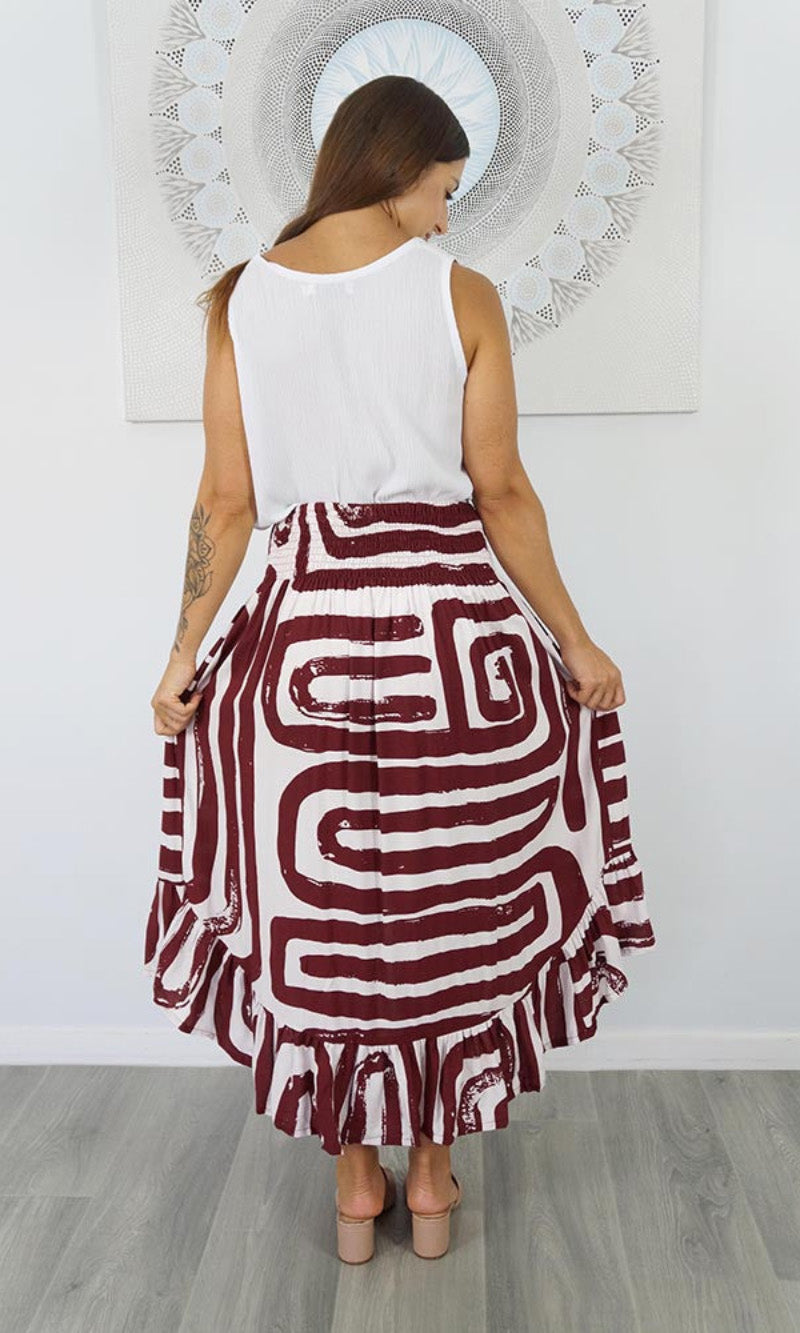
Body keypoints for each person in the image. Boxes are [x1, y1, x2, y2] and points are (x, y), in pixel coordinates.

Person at [145, 74, 656, 1264]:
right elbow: (501, 492)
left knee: (322, 911)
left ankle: (353, 1185)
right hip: (454, 642)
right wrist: (575, 640)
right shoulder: (458, 293)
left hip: (297, 651)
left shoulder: (241, 300)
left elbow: (226, 500)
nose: (444, 215)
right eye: (443, 188)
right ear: (396, 168)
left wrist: (180, 657)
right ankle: (431, 1176)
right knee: (448, 909)